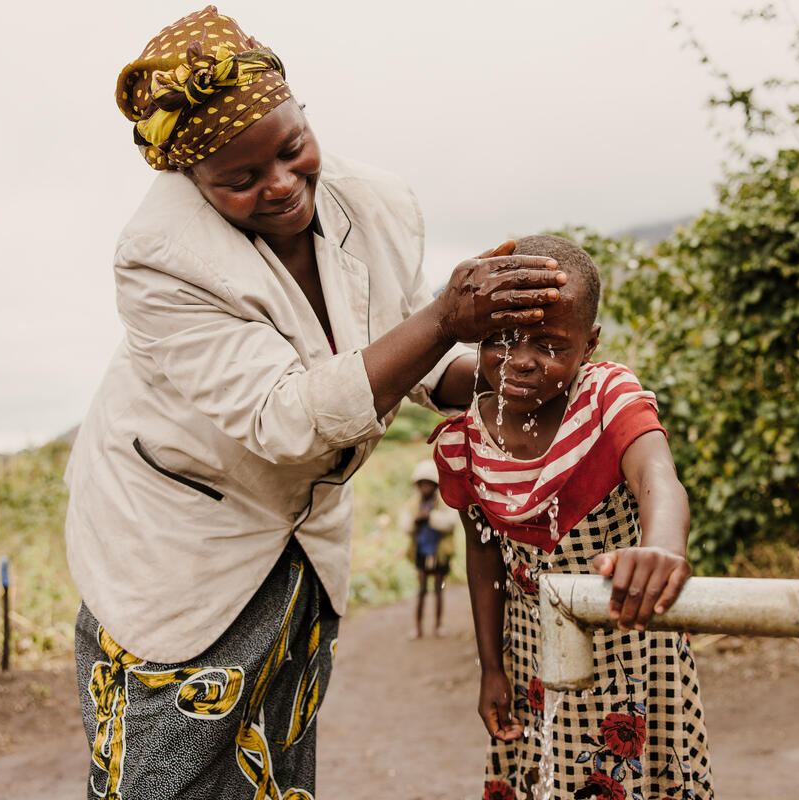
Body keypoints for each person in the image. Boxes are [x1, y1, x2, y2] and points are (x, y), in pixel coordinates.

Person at [63, 7, 566, 799]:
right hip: (179, 541)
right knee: (164, 775)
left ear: (303, 117)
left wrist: (521, 369)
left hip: (297, 543)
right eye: (241, 179)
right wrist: (443, 319)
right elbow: (286, 419)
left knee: (277, 765)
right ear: (190, 179)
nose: (283, 183)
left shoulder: (378, 204)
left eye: (293, 148)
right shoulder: (157, 258)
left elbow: (410, 363)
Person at [432, 235, 714, 800]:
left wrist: (661, 548)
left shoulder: (607, 397)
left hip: (631, 642)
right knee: (546, 776)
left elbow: (658, 477)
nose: (520, 359)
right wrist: (492, 665)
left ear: (589, 345)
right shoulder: (465, 438)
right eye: (500, 339)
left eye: (549, 344)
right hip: (530, 651)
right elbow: (483, 552)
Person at [400, 459, 458, 638]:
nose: (425, 487)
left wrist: (430, 517)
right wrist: (416, 520)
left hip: (439, 553)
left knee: (438, 589)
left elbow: (451, 522)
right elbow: (404, 524)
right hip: (421, 552)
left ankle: (438, 625)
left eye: (429, 484)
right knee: (422, 589)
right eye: (422, 484)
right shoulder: (413, 504)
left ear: (435, 485)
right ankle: (418, 627)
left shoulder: (444, 502)